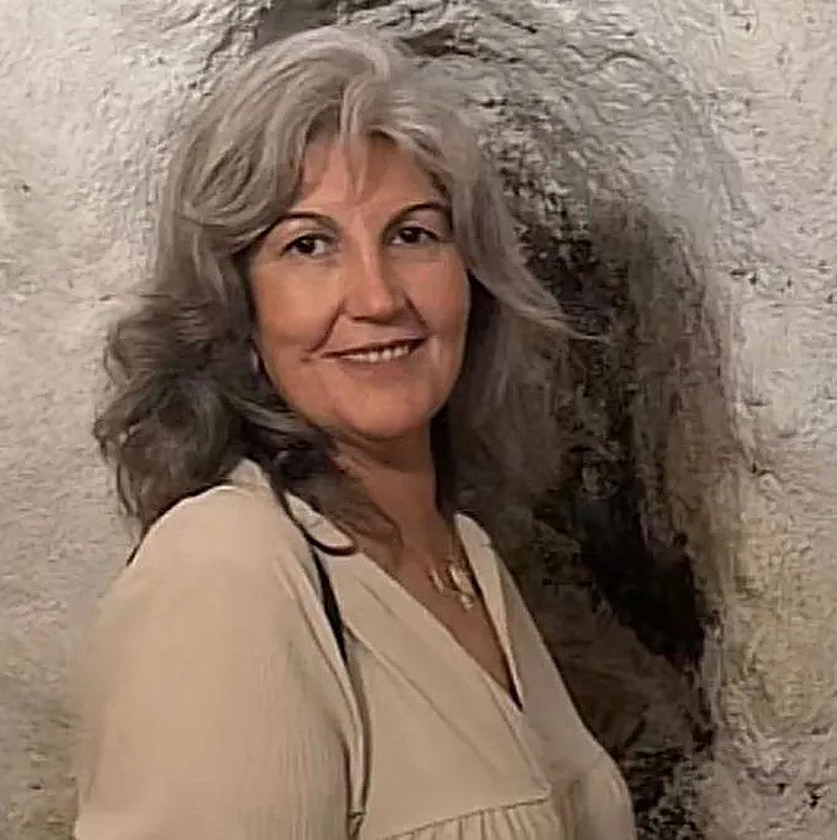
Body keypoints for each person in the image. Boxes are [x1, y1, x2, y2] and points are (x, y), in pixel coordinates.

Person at [73, 24, 637, 840]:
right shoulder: (227, 573)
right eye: (309, 246)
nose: (377, 297)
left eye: (413, 235)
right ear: (236, 309)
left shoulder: (465, 556)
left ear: (471, 278)